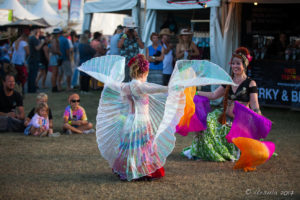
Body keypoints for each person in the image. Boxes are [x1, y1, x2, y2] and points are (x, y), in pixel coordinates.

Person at [182, 47, 261, 161]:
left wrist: (257, 116)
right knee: (207, 119)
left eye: (238, 63)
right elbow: (214, 95)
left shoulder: (250, 83)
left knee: (214, 123)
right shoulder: (228, 81)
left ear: (244, 65)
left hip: (240, 118)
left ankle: (228, 151)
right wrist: (194, 92)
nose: (235, 66)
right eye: (233, 63)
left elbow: (254, 105)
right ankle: (203, 150)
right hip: (224, 115)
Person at [27, 29, 45, 93]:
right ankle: (32, 90)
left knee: (32, 75)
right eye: (40, 31)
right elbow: (37, 48)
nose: (40, 33)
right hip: (33, 59)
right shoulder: (34, 38)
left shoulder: (33, 38)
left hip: (33, 59)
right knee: (33, 75)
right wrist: (42, 43)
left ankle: (31, 89)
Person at [49, 28, 62, 92]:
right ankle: (54, 87)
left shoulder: (54, 39)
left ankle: (54, 87)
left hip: (54, 56)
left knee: (55, 73)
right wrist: (59, 53)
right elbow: (54, 50)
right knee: (54, 73)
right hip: (55, 57)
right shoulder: (54, 40)